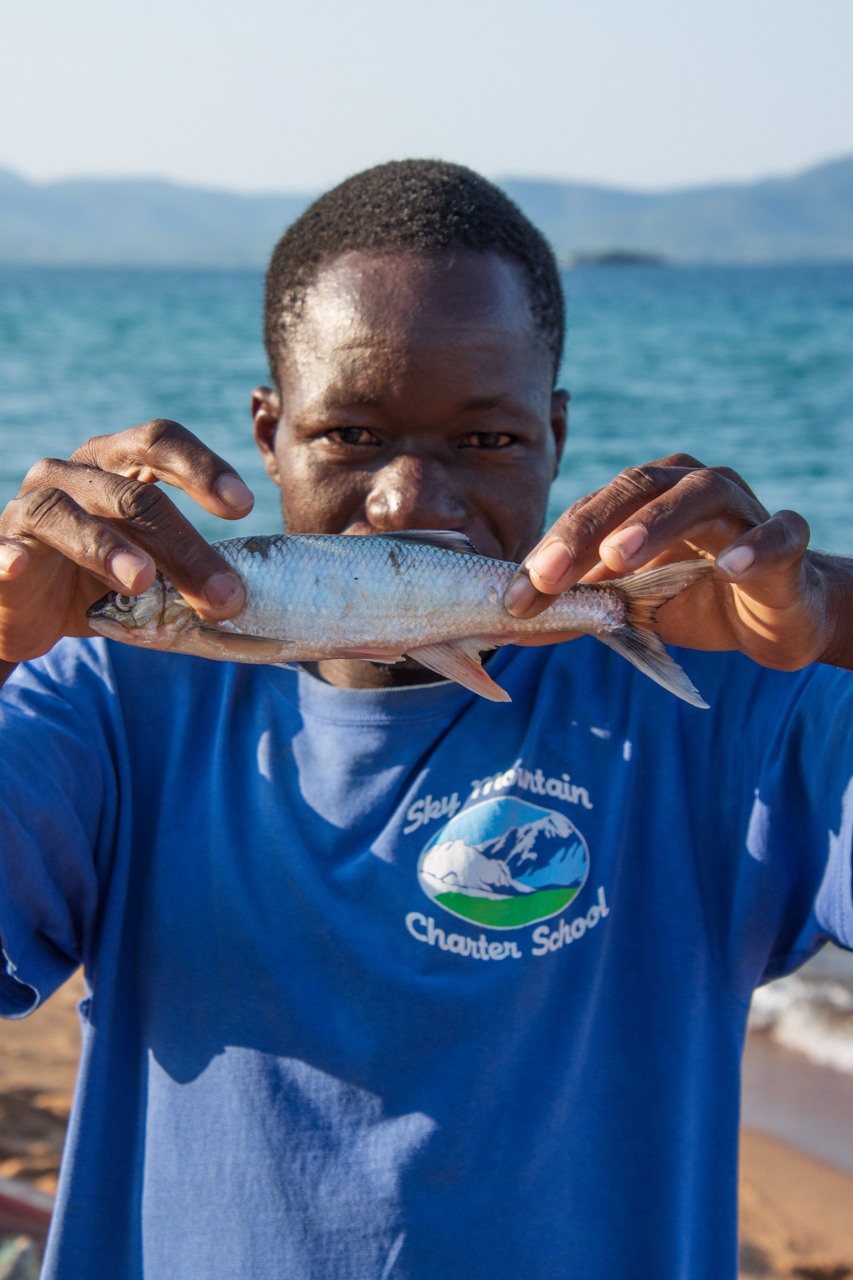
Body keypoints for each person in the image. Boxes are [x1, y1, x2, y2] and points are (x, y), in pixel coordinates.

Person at [0, 159, 850, 1280]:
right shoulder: (102, 704)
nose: (411, 500)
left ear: (554, 431)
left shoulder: (739, 701)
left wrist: (837, 614)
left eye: (486, 440)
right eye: (349, 435)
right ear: (268, 430)